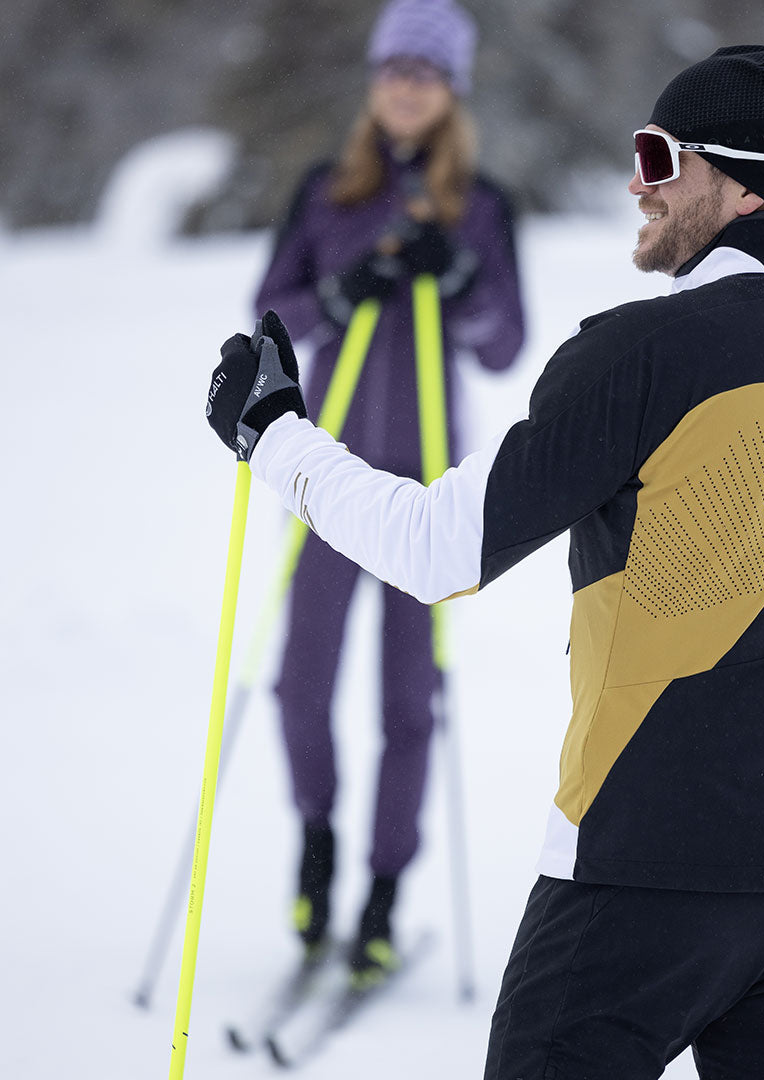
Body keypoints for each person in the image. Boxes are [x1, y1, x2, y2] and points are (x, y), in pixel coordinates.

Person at [208, 45, 764, 1079]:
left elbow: (433, 549)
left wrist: (275, 436)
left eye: (658, 155)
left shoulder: (640, 353)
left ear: (739, 183)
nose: (635, 182)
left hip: (645, 867)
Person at [250, 0, 524, 984]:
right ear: (374, 82)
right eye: (393, 68)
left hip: (428, 492)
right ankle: (318, 848)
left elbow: (505, 341)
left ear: (452, 92)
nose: (406, 85)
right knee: (299, 684)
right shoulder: (328, 191)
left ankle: (381, 894)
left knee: (410, 701)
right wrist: (336, 292)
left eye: (427, 71)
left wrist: (460, 281)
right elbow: (266, 314)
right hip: (331, 484)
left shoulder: (481, 202)